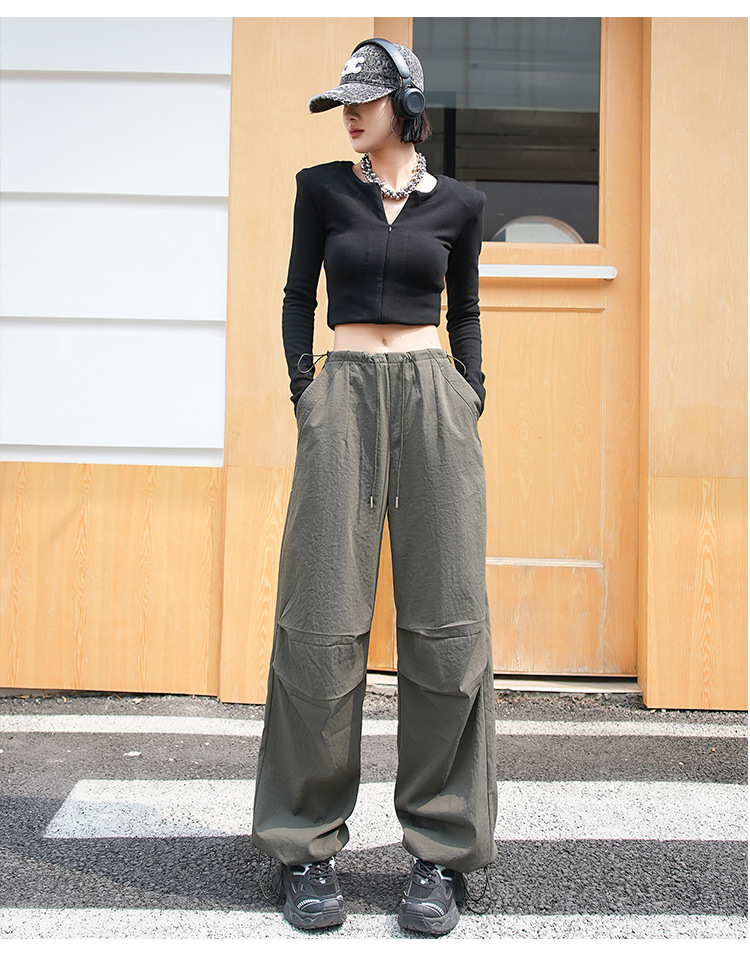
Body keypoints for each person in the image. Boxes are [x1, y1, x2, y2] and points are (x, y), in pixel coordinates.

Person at [252, 38, 497, 936]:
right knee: (319, 617)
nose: (350, 113)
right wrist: (306, 392)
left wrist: (469, 393)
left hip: (434, 400)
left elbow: (465, 308)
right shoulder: (321, 189)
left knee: (449, 621)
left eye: (366, 98)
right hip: (343, 395)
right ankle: (306, 847)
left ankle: (439, 854)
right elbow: (296, 297)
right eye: (344, 101)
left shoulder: (461, 204)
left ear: (408, 105)